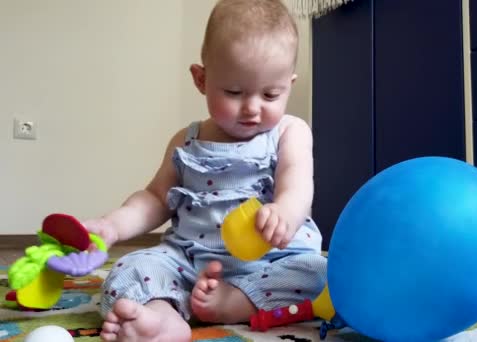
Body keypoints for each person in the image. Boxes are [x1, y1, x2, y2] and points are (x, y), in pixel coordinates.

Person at [83, 0, 327, 340]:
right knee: (129, 268)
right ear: (201, 79)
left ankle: (237, 302)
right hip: (190, 262)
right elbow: (155, 197)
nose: (252, 108)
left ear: (290, 83)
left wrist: (285, 211)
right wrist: (111, 226)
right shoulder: (187, 140)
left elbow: (298, 184)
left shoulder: (289, 131)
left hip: (270, 262)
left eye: (271, 94)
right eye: (234, 92)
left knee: (318, 272)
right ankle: (161, 317)